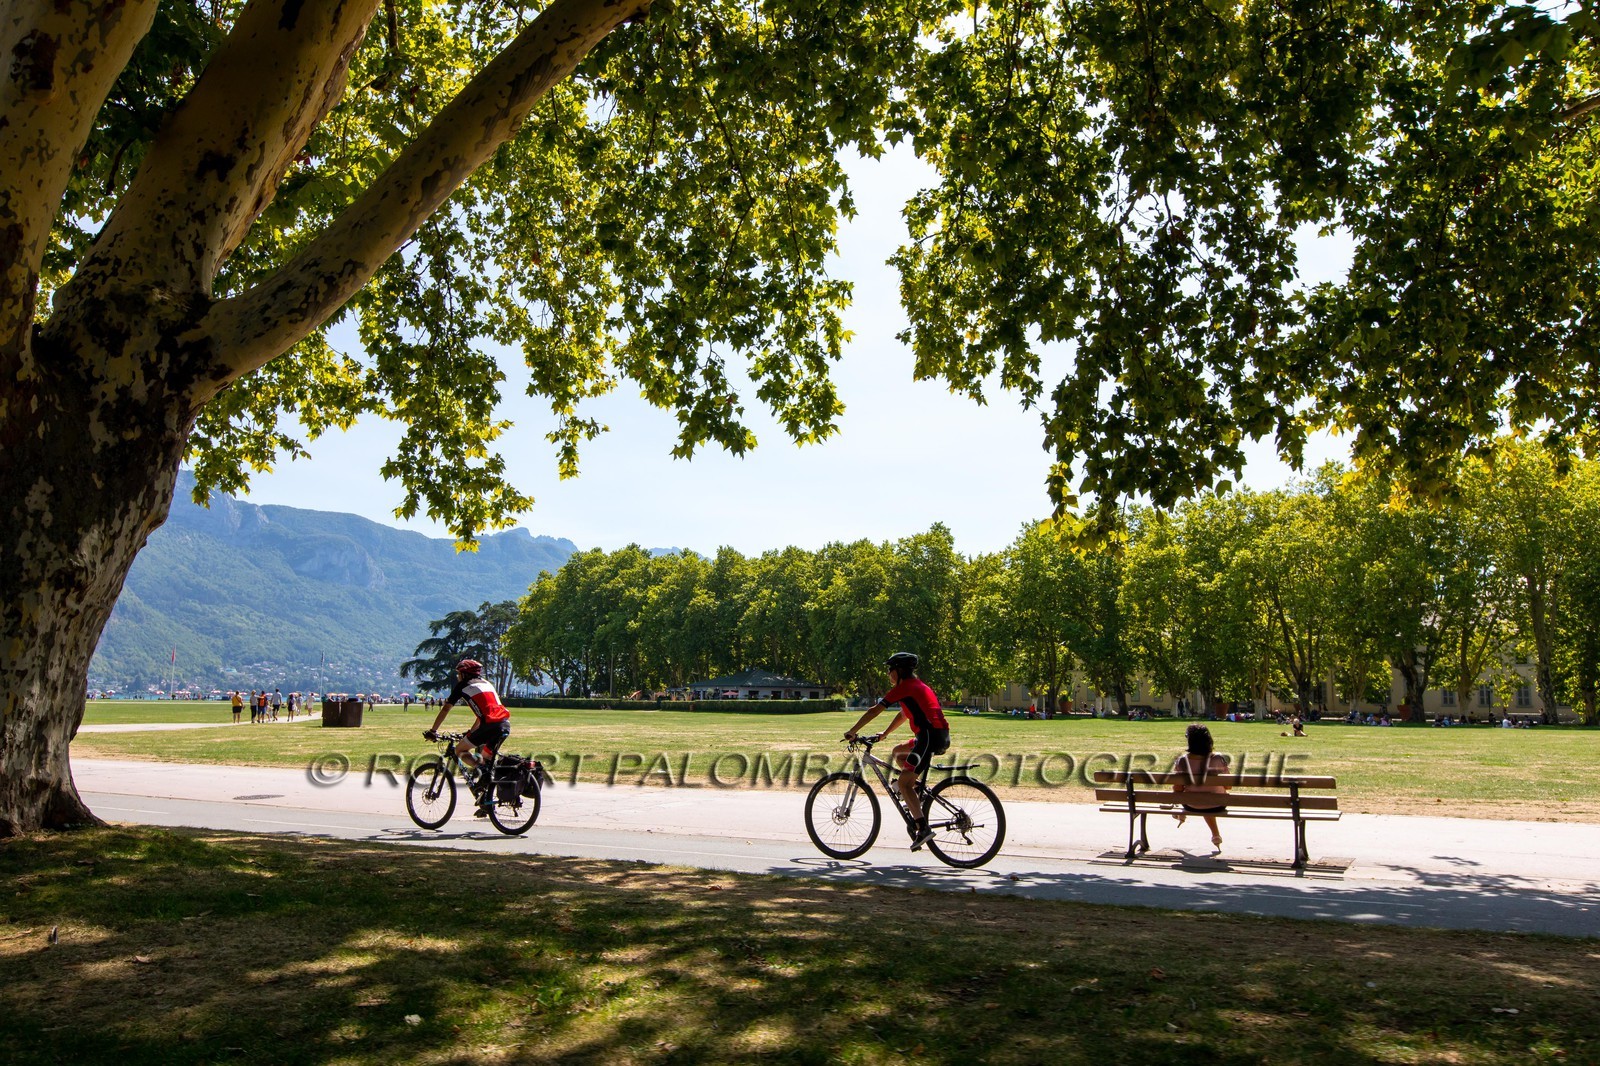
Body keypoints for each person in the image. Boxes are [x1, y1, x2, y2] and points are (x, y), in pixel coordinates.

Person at [843, 652, 949, 850]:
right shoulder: (916, 686)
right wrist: (885, 733)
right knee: (898, 752)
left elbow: (874, 710)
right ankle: (917, 793)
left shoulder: (905, 687)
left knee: (903, 783)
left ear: (899, 671)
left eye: (890, 669)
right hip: (934, 735)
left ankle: (922, 828)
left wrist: (852, 731)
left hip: (929, 737)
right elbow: (903, 714)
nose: (888, 673)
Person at [424, 659, 512, 817]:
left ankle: (481, 773)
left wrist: (433, 731)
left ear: (464, 674)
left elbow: (445, 709)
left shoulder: (463, 686)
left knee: (459, 750)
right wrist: (471, 732)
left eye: (459, 673)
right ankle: (485, 801)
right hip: (504, 725)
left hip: (489, 727)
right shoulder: (486, 684)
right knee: (485, 762)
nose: (458, 676)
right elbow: (482, 715)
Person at [1171, 724, 1230, 852]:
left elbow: (1178, 789)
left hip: (1191, 805)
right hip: (1218, 804)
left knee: (1199, 797)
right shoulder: (1218, 758)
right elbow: (1228, 785)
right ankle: (1215, 834)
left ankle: (1180, 813)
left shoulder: (1182, 761)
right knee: (1208, 797)